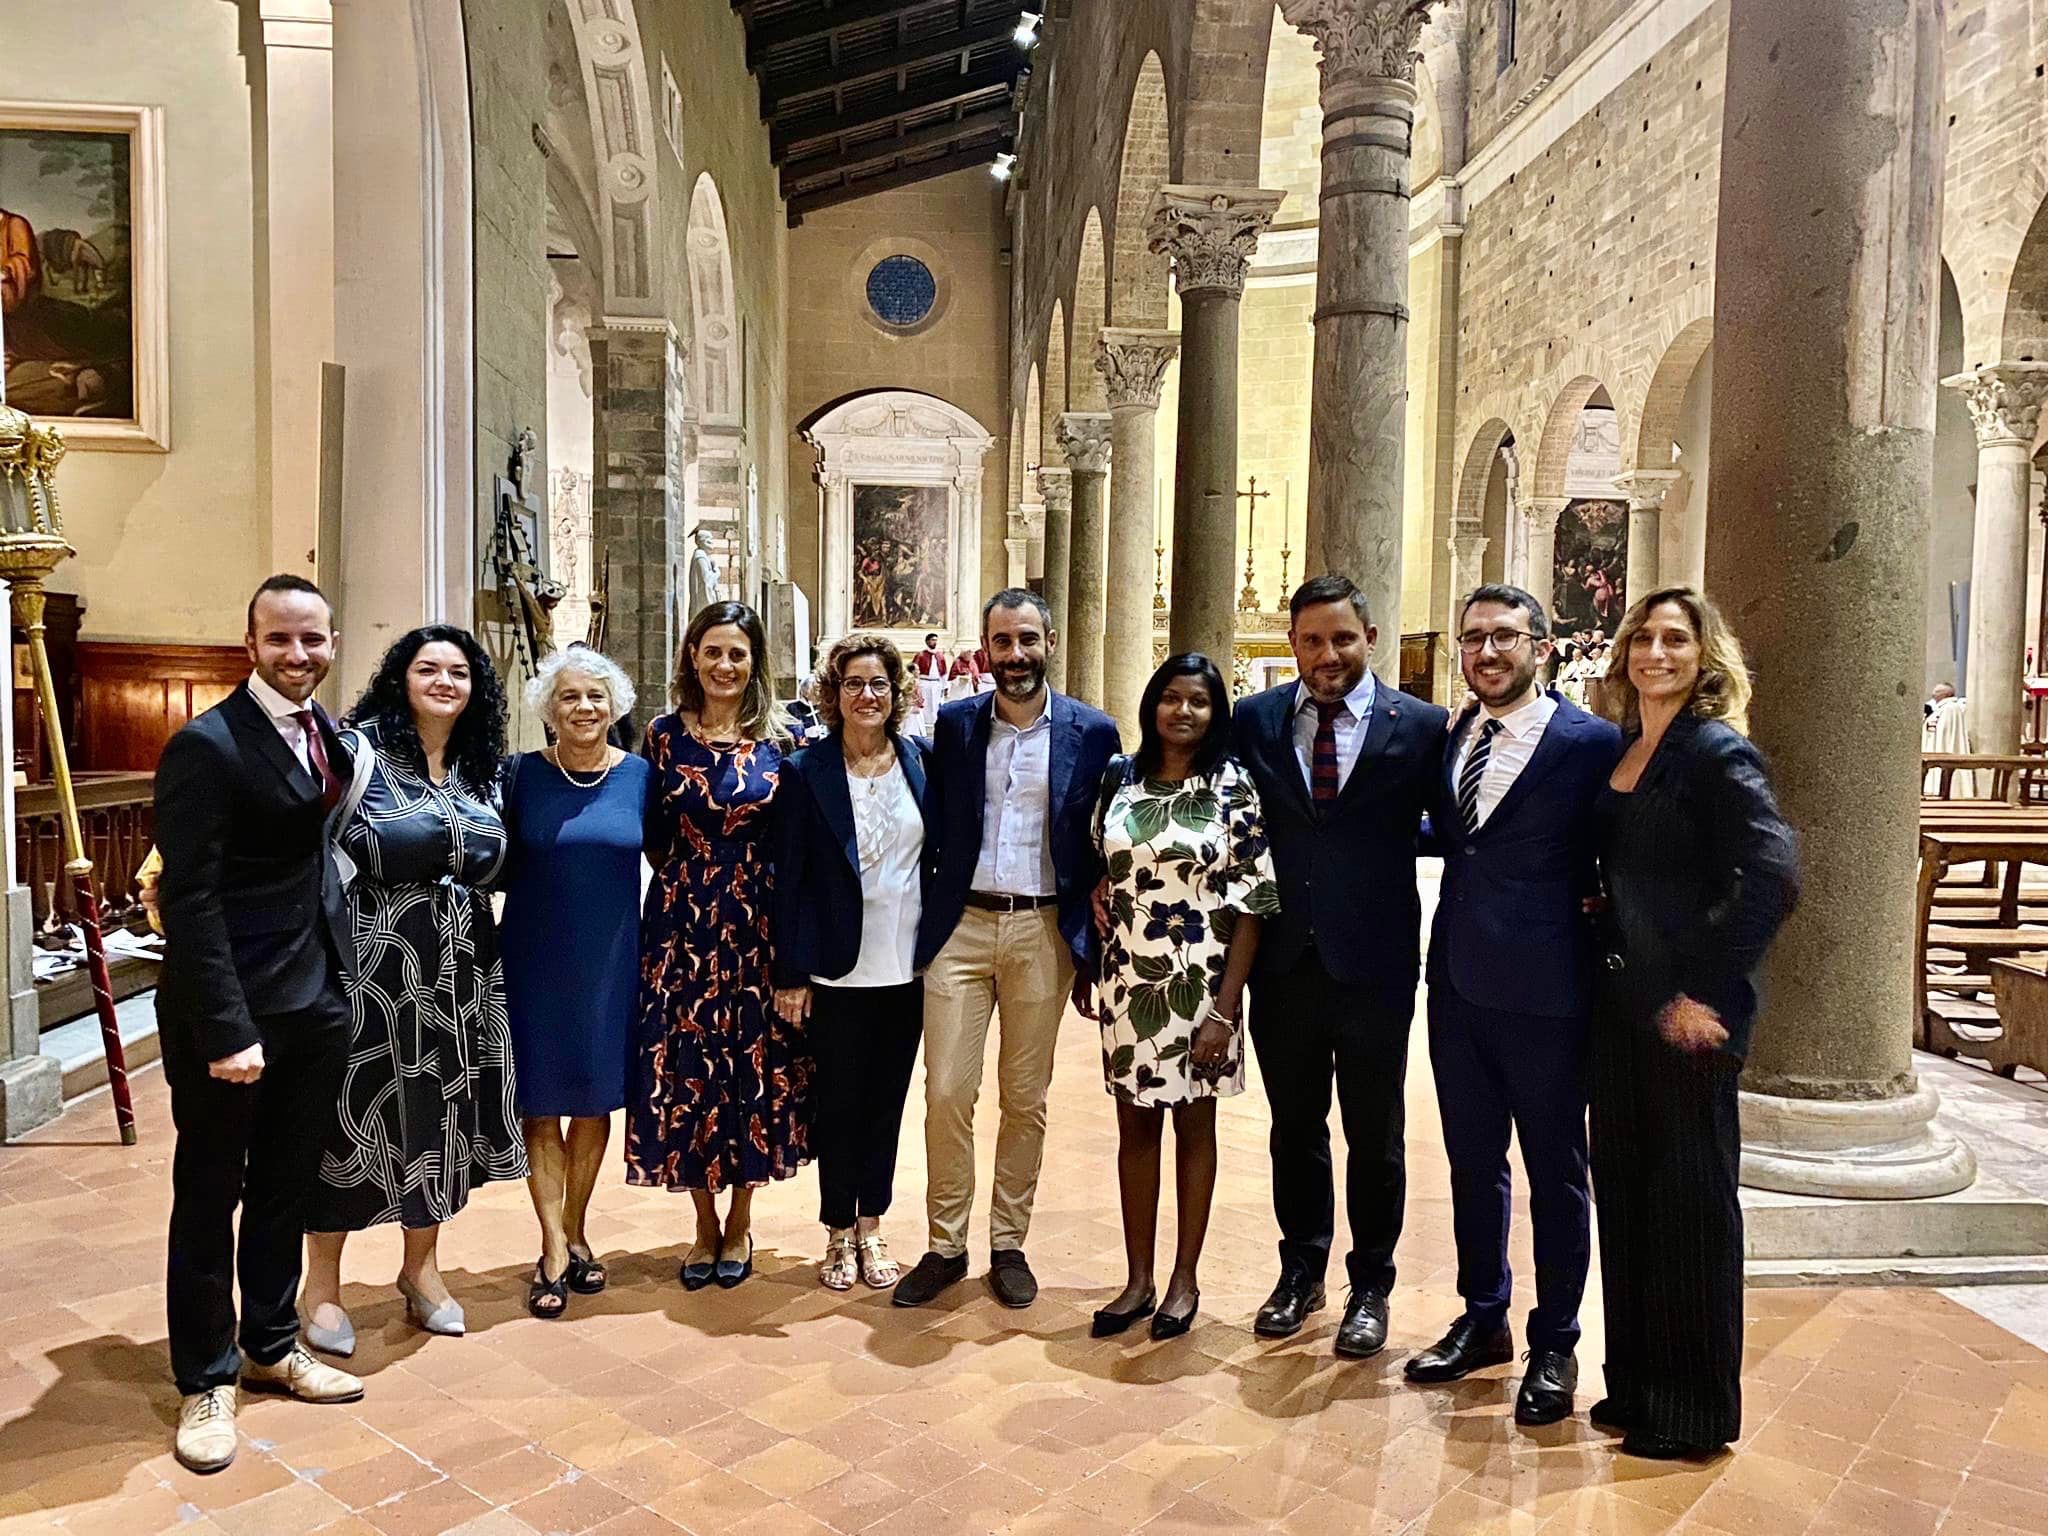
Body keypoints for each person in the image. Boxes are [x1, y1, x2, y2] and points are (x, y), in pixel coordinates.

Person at [153, 575, 364, 1472]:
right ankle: (206, 1379)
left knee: (284, 1188)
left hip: (314, 1000)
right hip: (231, 1015)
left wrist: (337, 988)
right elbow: (191, 900)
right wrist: (227, 1029)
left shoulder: (327, 736)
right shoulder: (206, 745)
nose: (297, 654)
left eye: (312, 639)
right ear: (250, 645)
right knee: (211, 1195)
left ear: (332, 644)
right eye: (279, 639)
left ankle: (271, 1346)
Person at [1590, 586, 1799, 1460]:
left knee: (1689, 1207)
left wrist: (1704, 992)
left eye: (1675, 639)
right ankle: (1637, 1386)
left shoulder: (1715, 752)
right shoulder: (1630, 744)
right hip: (1623, 1005)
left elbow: (1773, 876)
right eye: (1643, 637)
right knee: (1627, 1196)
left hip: (1687, 1018)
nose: (1656, 652)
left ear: (1704, 656)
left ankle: (1692, 1411)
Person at [1409, 585, 1622, 1427]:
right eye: (1473, 639)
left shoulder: (1589, 743)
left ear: (1541, 646)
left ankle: (1557, 1341)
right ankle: (1483, 1315)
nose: (1487, 652)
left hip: (1548, 992)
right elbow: (1458, 839)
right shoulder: (1455, 735)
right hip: (1458, 985)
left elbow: (1620, 848)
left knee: (1556, 1172)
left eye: (1504, 637)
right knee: (1472, 1161)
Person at [1230, 573, 1447, 1357]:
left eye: (1343, 639)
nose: (1328, 655)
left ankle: (1372, 1284)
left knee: (1376, 1133)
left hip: (1375, 965)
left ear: (1371, 639)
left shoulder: (1421, 726)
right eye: (1313, 641)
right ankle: (1301, 1271)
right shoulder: (1254, 720)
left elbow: (1458, 828)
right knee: (1294, 1129)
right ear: (1292, 644)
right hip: (1283, 961)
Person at [892, 589, 1121, 1309]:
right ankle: (944, 1244)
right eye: (1001, 642)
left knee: (1026, 1097)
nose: (1015, 655)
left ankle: (1008, 1242)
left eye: (1026, 639)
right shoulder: (956, 725)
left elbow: (1102, 832)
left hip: (1042, 931)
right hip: (961, 927)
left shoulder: (1094, 732)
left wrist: (1095, 929)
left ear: (1048, 641)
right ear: (985, 649)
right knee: (947, 1092)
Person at [299, 626, 524, 1352]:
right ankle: (320, 1287)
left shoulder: (481, 770)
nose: (444, 682)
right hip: (372, 967)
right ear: (401, 678)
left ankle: (421, 1270)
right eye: (428, 669)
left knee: (440, 1116)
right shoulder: (356, 753)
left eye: (459, 672)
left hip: (460, 974)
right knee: (349, 1113)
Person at [1088, 654, 1277, 1340]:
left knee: (1195, 1130)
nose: (1184, 711)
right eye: (1171, 697)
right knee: (1134, 1131)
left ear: (1216, 712)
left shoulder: (1233, 785)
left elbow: (1254, 903)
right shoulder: (1120, 776)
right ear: (1152, 705)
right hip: (1127, 980)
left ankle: (1184, 1279)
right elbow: (1104, 865)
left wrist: (1226, 1009)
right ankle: (1137, 1278)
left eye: (1199, 701)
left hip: (1201, 984)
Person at [626, 601, 805, 1289]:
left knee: (752, 1066)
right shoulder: (663, 735)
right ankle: (703, 1222)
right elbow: (652, 830)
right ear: (692, 657)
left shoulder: (782, 738)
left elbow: (793, 842)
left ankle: (740, 1221)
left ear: (754, 662)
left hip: (759, 924)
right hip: (683, 923)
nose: (725, 665)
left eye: (738, 653)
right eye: (713, 652)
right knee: (685, 1065)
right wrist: (693, 876)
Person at [772, 633, 930, 1291]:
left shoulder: (919, 761)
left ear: (897, 694)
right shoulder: (805, 770)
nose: (867, 695)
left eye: (879, 684)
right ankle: (838, 1228)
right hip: (837, 969)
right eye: (854, 684)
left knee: (886, 1104)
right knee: (837, 1105)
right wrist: (789, 971)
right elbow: (788, 877)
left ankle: (873, 1224)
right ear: (833, 695)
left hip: (906, 966)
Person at [499, 648, 651, 1319]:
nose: (584, 708)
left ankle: (577, 1228)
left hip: (611, 961)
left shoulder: (640, 776)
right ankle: (553, 1247)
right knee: (540, 1104)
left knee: (593, 1102)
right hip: (535, 958)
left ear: (614, 705)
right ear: (548, 709)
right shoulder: (519, 776)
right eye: (569, 697)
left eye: (595, 696)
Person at [913, 632, 948, 734]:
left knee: (935, 704)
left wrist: (945, 686)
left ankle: (935, 725)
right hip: (924, 683)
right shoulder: (920, 655)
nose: (934, 642)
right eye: (932, 640)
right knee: (926, 703)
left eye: (936, 640)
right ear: (927, 641)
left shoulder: (940, 655)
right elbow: (914, 670)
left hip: (936, 683)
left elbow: (944, 671)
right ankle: (924, 726)